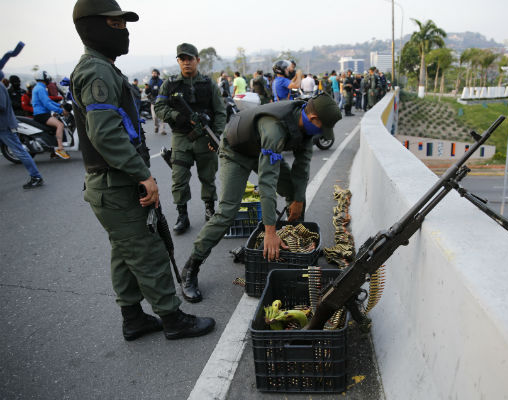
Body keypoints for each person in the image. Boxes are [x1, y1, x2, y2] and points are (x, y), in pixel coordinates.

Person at [70, 0, 215, 340]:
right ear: (92, 27)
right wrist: (142, 174)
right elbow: (105, 133)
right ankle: (173, 319)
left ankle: (133, 318)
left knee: (125, 251)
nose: (124, 32)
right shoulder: (96, 70)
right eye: (115, 25)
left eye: (124, 25)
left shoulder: (102, 67)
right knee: (147, 251)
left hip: (112, 183)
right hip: (117, 183)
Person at [178, 93, 342, 302]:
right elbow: (267, 183)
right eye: (322, 128)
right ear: (314, 119)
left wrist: (298, 201)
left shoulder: (306, 129)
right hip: (235, 152)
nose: (322, 133)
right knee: (227, 211)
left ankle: (295, 250)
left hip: (261, 150)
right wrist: (271, 232)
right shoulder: (275, 129)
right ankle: (192, 267)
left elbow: (301, 170)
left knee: (294, 193)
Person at [154, 43, 227, 234]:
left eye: (190, 59)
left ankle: (209, 208)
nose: (186, 63)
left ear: (197, 60)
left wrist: (216, 135)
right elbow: (159, 107)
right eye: (182, 59)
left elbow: (220, 112)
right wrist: (177, 116)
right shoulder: (169, 84)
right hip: (181, 138)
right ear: (178, 61)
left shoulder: (208, 83)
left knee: (208, 177)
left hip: (205, 137)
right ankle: (182, 215)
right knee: (178, 178)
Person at [0, 72, 44, 189]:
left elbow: (2, 106)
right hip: (6, 124)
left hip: (5, 126)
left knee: (20, 151)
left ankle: (36, 176)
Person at [32, 70, 70, 159]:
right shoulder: (41, 88)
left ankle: (54, 152)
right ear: (44, 78)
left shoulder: (39, 87)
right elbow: (46, 104)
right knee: (60, 125)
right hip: (42, 115)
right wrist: (60, 111)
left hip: (42, 114)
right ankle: (60, 149)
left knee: (53, 129)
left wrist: (59, 105)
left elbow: (48, 101)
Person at [144, 68, 166, 134]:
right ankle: (156, 126)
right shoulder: (150, 82)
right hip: (153, 101)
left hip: (161, 101)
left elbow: (165, 90)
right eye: (153, 73)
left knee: (163, 116)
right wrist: (147, 89)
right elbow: (147, 92)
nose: (154, 74)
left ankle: (163, 130)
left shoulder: (161, 81)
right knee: (154, 117)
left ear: (158, 74)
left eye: (155, 73)